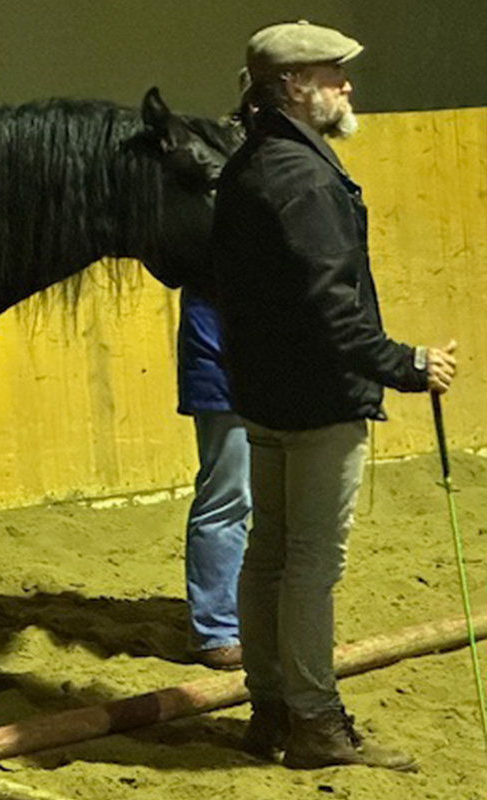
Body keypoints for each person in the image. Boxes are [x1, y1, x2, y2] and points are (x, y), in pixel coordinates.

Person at [212, 20, 458, 770]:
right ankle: (315, 724)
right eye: (331, 74)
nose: (346, 86)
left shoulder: (249, 162)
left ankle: (269, 711)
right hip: (319, 401)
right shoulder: (306, 179)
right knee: (311, 565)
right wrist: (407, 364)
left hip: (264, 395)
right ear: (294, 86)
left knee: (268, 555)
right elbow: (333, 309)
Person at [177, 288, 249, 671]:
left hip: (258, 366)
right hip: (225, 368)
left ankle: (233, 619)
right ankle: (217, 630)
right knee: (228, 495)